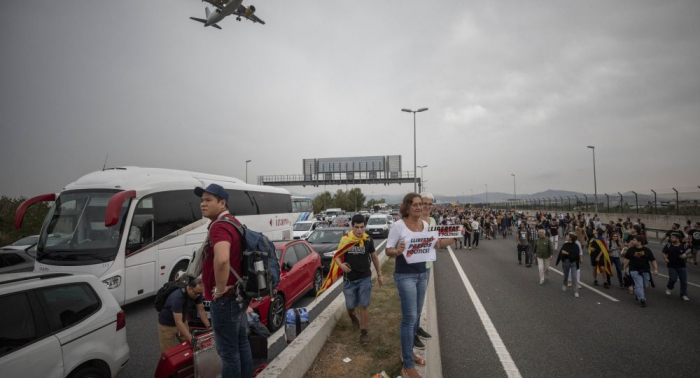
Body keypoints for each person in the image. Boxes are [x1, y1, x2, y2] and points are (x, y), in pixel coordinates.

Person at [386, 193, 455, 378]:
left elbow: (433, 245)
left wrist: (454, 237)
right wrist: (397, 251)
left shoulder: (425, 225)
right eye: (415, 204)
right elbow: (388, 250)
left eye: (420, 204)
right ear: (407, 207)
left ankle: (407, 353)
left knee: (415, 316)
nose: (419, 207)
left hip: (423, 274)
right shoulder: (398, 226)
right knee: (409, 318)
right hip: (405, 276)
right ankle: (408, 365)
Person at [195, 183, 252, 378]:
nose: (203, 204)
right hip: (238, 294)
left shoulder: (219, 227)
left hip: (226, 299)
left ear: (222, 203)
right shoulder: (233, 222)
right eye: (202, 200)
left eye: (208, 200)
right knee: (241, 342)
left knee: (228, 352)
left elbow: (222, 259)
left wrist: (219, 290)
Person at [337, 214, 383, 345]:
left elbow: (374, 257)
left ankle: (364, 333)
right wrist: (341, 265)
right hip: (349, 280)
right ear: (352, 227)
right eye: (356, 227)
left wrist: (379, 274)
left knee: (364, 305)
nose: (359, 230)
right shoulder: (345, 240)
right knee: (350, 306)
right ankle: (352, 316)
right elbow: (337, 256)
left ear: (365, 227)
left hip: (364, 278)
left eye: (362, 227)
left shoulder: (368, 240)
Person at [157, 278, 209, 353]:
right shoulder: (177, 297)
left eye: (200, 294)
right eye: (196, 293)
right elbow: (178, 322)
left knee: (191, 347)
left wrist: (209, 327)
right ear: (190, 288)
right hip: (167, 326)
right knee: (169, 353)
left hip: (182, 321)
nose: (198, 296)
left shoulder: (198, 293)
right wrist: (192, 339)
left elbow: (201, 311)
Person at [623, 236, 659, 307]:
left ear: (639, 242)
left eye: (634, 240)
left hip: (645, 270)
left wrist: (655, 269)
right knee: (639, 285)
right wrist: (624, 268)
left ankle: (638, 294)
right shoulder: (631, 250)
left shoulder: (647, 250)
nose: (632, 241)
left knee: (644, 285)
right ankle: (642, 300)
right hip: (634, 270)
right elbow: (627, 259)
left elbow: (653, 260)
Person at [662, 234, 690, 301]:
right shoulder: (668, 245)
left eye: (673, 237)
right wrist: (665, 258)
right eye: (671, 237)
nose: (671, 238)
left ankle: (683, 294)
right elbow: (663, 253)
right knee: (673, 279)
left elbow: (690, 253)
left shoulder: (684, 245)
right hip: (671, 266)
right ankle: (669, 287)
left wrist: (685, 255)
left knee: (684, 281)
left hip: (682, 266)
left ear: (677, 239)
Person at [556, 233, 581, 298]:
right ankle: (564, 284)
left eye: (568, 236)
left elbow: (575, 255)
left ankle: (576, 291)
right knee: (566, 275)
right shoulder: (565, 244)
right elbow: (561, 253)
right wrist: (561, 260)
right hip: (566, 262)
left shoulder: (576, 246)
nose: (566, 236)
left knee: (574, 277)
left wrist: (567, 253)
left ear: (570, 238)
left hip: (573, 262)